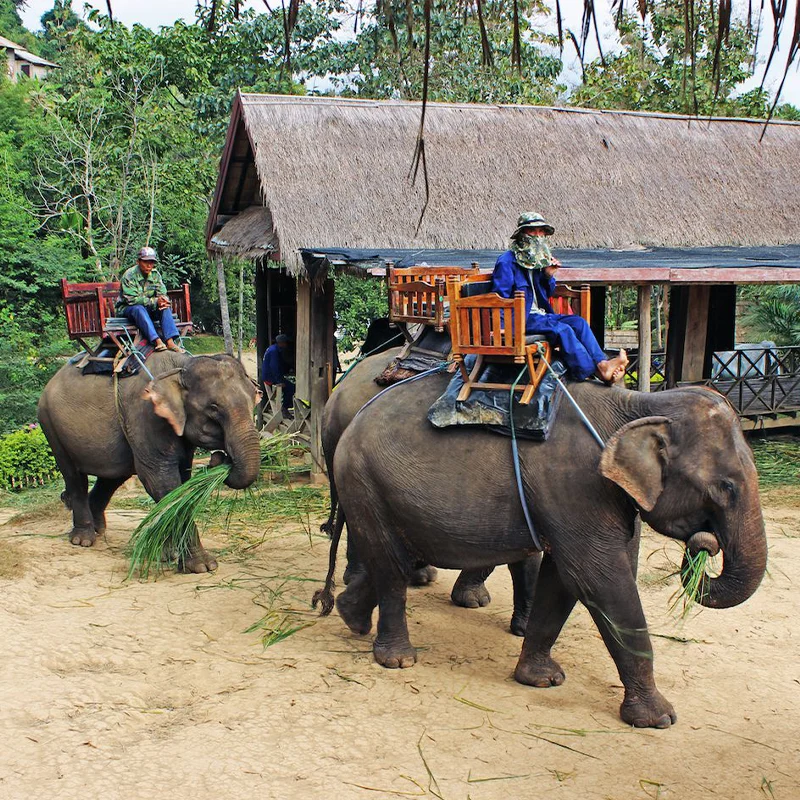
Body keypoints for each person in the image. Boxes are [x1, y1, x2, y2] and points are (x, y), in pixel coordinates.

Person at [492, 212, 628, 384]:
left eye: (541, 232)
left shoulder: (536, 261)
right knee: (563, 330)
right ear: (522, 234)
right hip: (519, 319)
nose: (538, 236)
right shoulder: (506, 262)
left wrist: (548, 275)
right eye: (533, 231)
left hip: (539, 315)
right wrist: (502, 327)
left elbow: (546, 294)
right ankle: (593, 371)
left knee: (578, 322)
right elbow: (498, 297)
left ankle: (602, 364)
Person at [117, 247, 184, 352]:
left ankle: (170, 342)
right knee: (139, 308)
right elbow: (132, 300)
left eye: (151, 262)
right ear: (138, 262)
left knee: (164, 307)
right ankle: (157, 341)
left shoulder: (155, 275)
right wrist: (155, 301)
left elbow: (162, 292)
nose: (149, 265)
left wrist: (163, 300)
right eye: (145, 262)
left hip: (148, 309)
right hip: (129, 309)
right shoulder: (129, 275)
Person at [261, 334, 295, 413]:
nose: (286, 345)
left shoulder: (273, 348)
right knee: (291, 388)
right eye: (285, 343)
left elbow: (279, 364)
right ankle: (285, 408)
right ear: (281, 343)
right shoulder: (274, 351)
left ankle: (285, 407)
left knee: (288, 386)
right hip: (270, 378)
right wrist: (280, 381)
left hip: (269, 376)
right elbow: (274, 367)